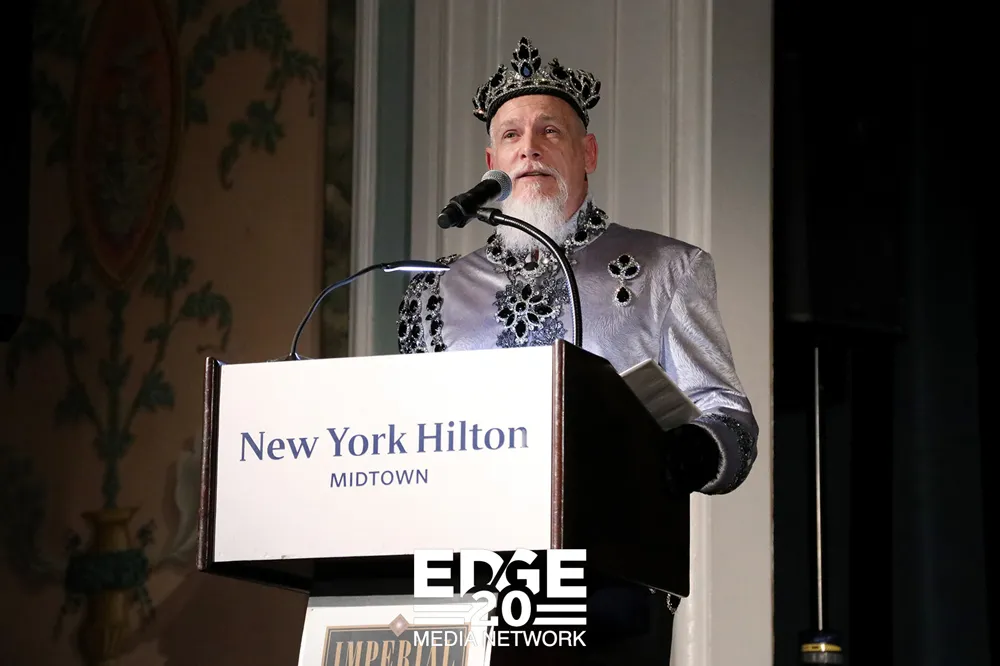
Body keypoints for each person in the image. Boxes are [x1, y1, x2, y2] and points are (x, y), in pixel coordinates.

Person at [397, 36, 759, 664]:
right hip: (465, 579)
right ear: (491, 161)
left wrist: (697, 449)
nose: (529, 148)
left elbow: (728, 418)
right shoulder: (435, 290)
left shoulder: (667, 269)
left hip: (610, 581)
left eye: (550, 131)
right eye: (511, 135)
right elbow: (407, 436)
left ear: (586, 152)